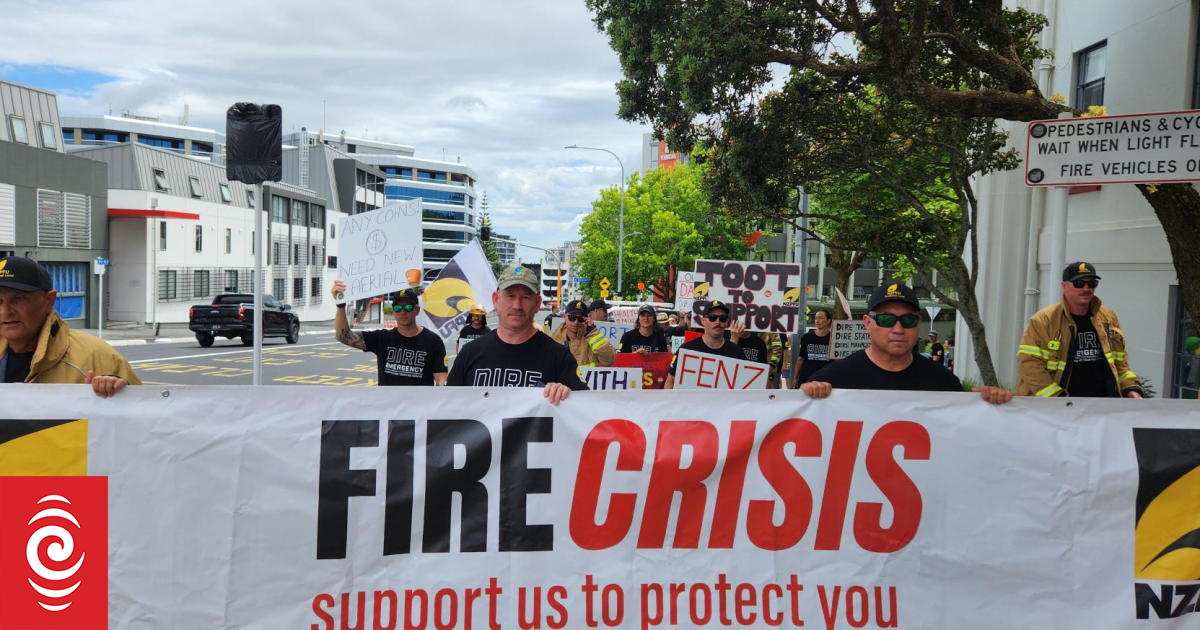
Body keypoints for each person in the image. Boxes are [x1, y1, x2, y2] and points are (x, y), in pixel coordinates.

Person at [808, 282, 1011, 403]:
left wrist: (991, 407)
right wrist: (807, 397)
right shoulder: (832, 380)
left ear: (918, 323)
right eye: (886, 319)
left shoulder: (944, 383)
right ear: (868, 323)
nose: (898, 329)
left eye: (908, 320)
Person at [0, 256, 139, 397]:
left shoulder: (96, 356)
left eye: (18, 299)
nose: (5, 311)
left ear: (49, 301)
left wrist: (117, 393)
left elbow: (142, 411)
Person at [447, 265, 585, 404]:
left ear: (537, 304)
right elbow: (446, 408)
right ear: (496, 300)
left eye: (525, 297)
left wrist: (568, 395)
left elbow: (587, 409)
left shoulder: (559, 358)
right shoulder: (469, 353)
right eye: (510, 296)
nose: (517, 305)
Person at [1016, 262, 1143, 398]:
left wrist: (1131, 388)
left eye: (1092, 283)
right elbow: (1030, 365)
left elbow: (1119, 362)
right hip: (1058, 407)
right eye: (1079, 283)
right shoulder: (1043, 320)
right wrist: (1057, 398)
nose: (1086, 288)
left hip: (1103, 404)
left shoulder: (1108, 318)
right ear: (1064, 286)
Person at [331, 283, 447, 386]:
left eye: (408, 307)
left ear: (417, 310)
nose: (403, 312)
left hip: (418, 408)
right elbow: (343, 336)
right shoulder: (383, 338)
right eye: (397, 308)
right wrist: (340, 305)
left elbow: (441, 381)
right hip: (387, 408)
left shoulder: (433, 341)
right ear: (393, 311)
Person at [551, 299, 617, 367]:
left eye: (580, 319)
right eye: (572, 317)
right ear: (564, 317)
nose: (576, 322)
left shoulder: (592, 336)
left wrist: (591, 332)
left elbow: (609, 360)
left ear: (586, 319)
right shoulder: (554, 341)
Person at [793, 308, 832, 387]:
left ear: (828, 321)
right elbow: (801, 358)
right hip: (806, 377)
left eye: (820, 318)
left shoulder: (833, 338)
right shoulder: (806, 337)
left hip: (826, 378)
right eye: (815, 318)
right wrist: (795, 377)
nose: (817, 321)